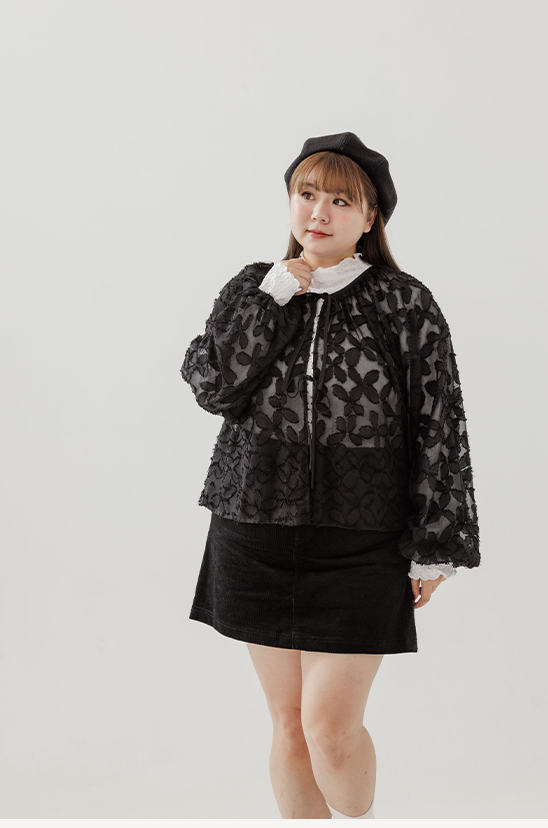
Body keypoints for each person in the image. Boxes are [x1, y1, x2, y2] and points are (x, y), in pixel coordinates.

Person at [180, 131, 480, 819]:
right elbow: (213, 385)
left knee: (330, 733)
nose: (319, 212)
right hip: (254, 526)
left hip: (360, 541)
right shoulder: (254, 287)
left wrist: (435, 541)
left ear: (370, 218)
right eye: (307, 194)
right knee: (289, 727)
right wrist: (274, 296)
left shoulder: (403, 302)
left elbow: (439, 420)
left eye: (340, 201)